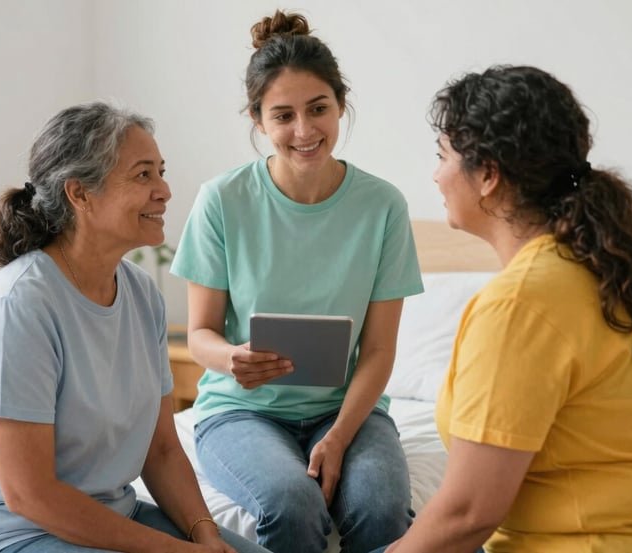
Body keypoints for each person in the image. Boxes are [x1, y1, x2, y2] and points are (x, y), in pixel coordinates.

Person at [0, 101, 271, 553]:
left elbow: (161, 450)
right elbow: (30, 494)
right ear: (80, 194)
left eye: (161, 172)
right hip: (9, 533)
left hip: (111, 511)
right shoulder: (19, 306)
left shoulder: (141, 294)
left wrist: (205, 535)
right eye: (143, 175)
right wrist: (177, 551)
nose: (165, 191)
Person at [371, 65, 632, 553]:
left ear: (488, 175)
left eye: (443, 156)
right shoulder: (605, 271)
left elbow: (468, 514)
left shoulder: (520, 303)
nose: (436, 175)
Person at [169, 9, 423, 553]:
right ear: (258, 120)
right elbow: (200, 334)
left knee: (379, 507)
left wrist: (339, 437)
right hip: (241, 411)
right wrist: (231, 358)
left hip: (346, 409)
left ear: (341, 105)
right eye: (283, 115)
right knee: (292, 503)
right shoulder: (222, 200)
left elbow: (379, 350)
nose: (304, 131)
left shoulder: (382, 207)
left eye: (318, 109)